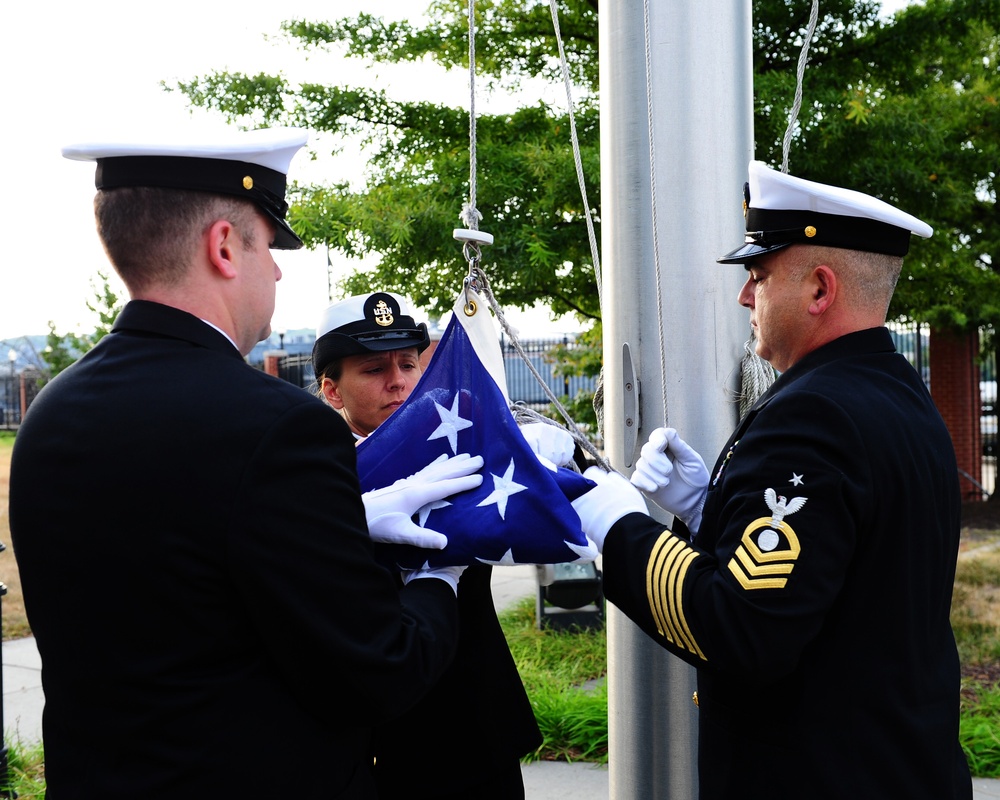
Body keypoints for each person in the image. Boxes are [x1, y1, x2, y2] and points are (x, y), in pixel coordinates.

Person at [8, 127, 486, 799]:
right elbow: (380, 671)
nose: (278, 269)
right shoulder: (278, 428)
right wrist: (440, 572)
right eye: (269, 243)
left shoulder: (50, 415)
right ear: (225, 246)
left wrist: (349, 518)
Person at [570, 160, 972, 799]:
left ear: (819, 289)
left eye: (758, 275)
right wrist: (709, 515)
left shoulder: (814, 414)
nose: (743, 296)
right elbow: (842, 568)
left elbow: (742, 632)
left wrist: (613, 524)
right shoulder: (897, 394)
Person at [313, 292, 553, 799]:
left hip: (473, 727)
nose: (398, 380)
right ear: (333, 391)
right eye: (374, 368)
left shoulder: (463, 449)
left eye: (408, 362)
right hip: (376, 741)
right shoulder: (316, 479)